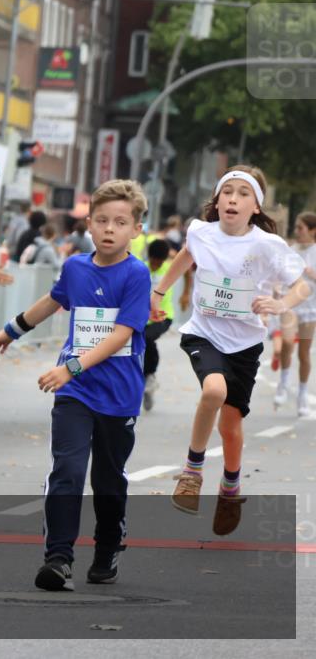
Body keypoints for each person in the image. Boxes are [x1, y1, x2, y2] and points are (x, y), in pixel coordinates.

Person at [0, 179, 151, 592]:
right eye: (101, 221)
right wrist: (11, 330)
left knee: (109, 482)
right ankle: (58, 558)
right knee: (68, 470)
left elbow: (122, 334)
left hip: (118, 394)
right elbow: (53, 299)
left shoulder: (137, 274)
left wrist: (71, 367)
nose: (109, 229)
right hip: (75, 393)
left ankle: (108, 547)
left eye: (120, 222)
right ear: (89, 225)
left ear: (136, 229)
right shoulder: (76, 267)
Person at [152, 166, 309, 536]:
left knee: (232, 426)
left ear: (256, 206)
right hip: (204, 333)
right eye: (227, 192)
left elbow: (301, 286)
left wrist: (281, 304)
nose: (233, 199)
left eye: (242, 194)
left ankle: (230, 487)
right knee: (214, 390)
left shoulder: (266, 245)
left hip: (245, 343)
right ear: (217, 200)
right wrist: (160, 292)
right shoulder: (201, 232)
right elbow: (187, 256)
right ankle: (191, 472)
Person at [274, 211, 316, 416]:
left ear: (312, 230)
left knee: (304, 354)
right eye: (296, 227)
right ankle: (282, 383)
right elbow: (279, 274)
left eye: (301, 228)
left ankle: (301, 395)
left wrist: (311, 274)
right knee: (288, 342)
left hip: (310, 309)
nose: (297, 231)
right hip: (290, 305)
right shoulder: (290, 250)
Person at [142, 239, 187, 411]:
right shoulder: (142, 268)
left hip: (164, 316)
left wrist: (185, 293)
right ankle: (143, 379)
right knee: (138, 343)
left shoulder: (169, 267)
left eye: (159, 262)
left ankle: (150, 375)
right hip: (143, 316)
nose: (156, 265)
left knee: (147, 338)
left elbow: (188, 273)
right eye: (153, 261)